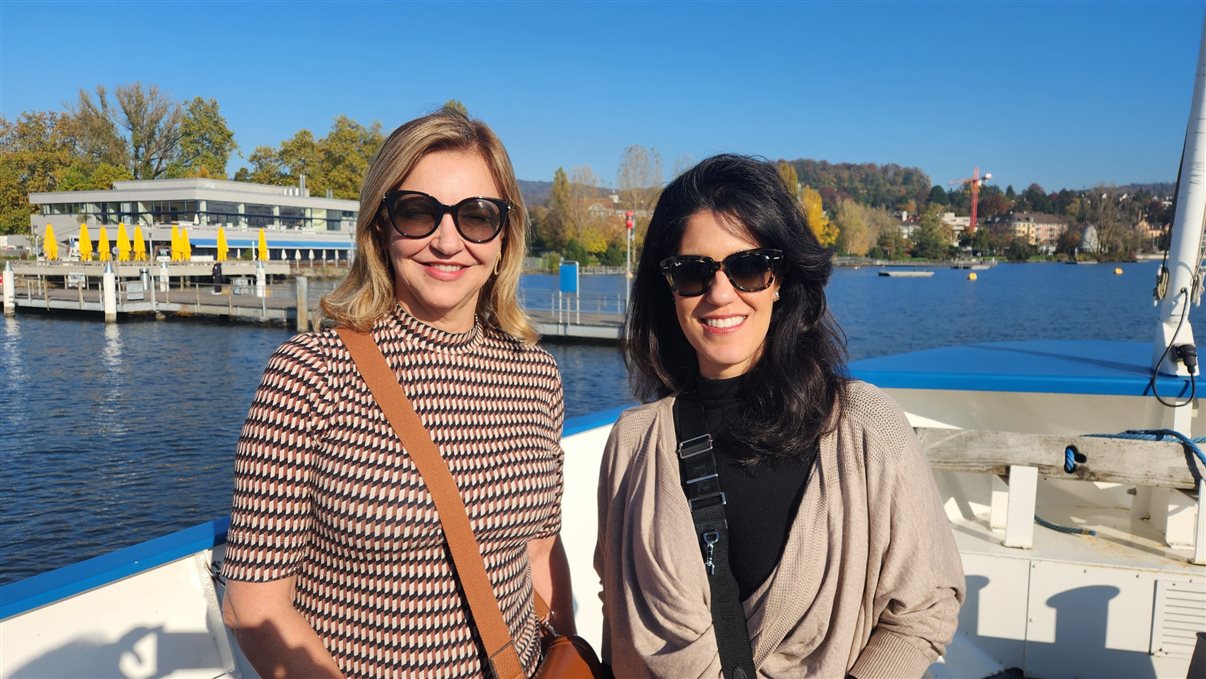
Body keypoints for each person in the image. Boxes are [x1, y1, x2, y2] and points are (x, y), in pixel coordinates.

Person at [221, 109, 575, 679]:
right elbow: (252, 603)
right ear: (381, 226)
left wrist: (568, 654)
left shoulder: (535, 374)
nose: (446, 241)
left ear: (504, 235)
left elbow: (537, 556)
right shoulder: (310, 373)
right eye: (417, 213)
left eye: (477, 217)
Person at [595, 154, 964, 679]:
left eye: (748, 267)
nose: (721, 293)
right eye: (693, 272)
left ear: (781, 280)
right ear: (668, 290)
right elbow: (618, 610)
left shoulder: (863, 427)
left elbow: (925, 608)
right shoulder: (634, 444)